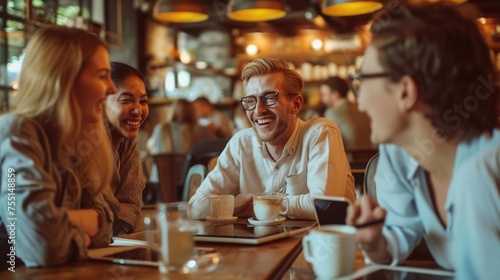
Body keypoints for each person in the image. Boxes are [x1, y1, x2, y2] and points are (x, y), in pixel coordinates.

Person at [345, 2, 500, 279]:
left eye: (363, 79)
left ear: (405, 91)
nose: (360, 101)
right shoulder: (397, 151)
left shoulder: (486, 169)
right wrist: (374, 241)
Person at [0, 26, 117, 269]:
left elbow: (106, 225)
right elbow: (44, 246)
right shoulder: (16, 132)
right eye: (102, 75)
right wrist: (82, 234)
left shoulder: (76, 140)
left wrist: (56, 222)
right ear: (64, 78)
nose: (112, 88)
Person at [189, 57, 356, 220]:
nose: (259, 110)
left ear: (296, 104)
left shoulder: (320, 133)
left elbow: (324, 206)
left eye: (269, 98)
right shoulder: (241, 143)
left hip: (319, 245)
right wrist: (238, 201)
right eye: (250, 100)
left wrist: (260, 203)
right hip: (258, 246)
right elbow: (196, 206)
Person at [103, 62, 149, 236]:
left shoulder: (128, 145)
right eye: (126, 100)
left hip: (113, 242)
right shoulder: (88, 144)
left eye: (143, 101)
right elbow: (100, 205)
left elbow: (132, 206)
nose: (138, 110)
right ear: (102, 101)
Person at [320, 76, 372, 150]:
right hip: (371, 158)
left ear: (335, 95)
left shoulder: (332, 112)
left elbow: (331, 145)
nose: (322, 99)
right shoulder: (362, 110)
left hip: (349, 159)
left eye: (324, 95)